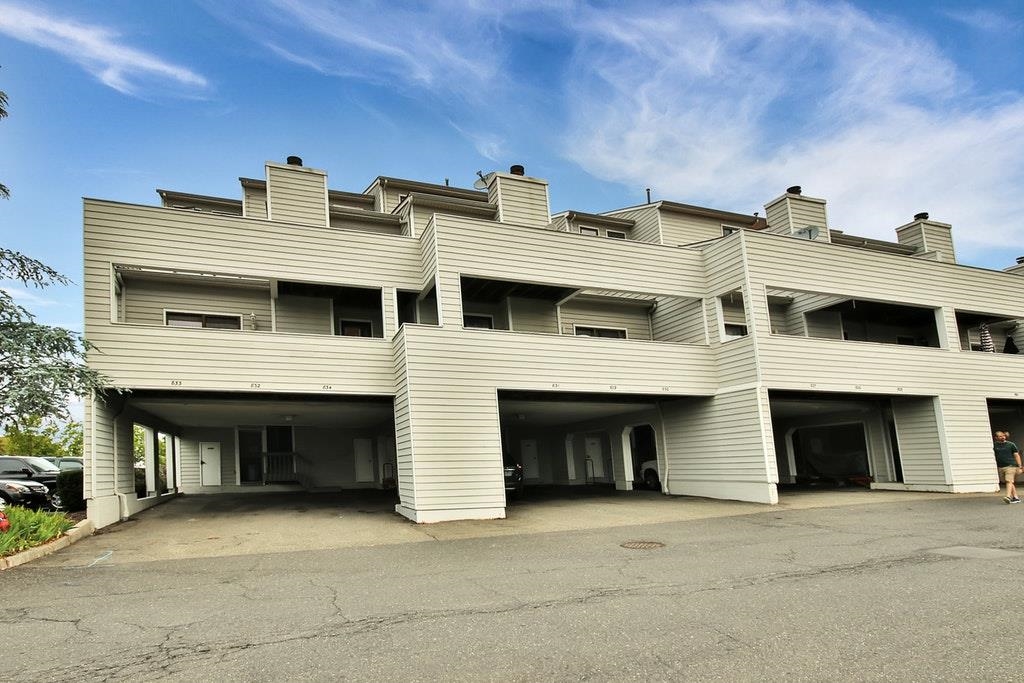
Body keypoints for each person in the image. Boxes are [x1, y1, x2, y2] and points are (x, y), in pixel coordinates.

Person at [993, 431, 1022, 503]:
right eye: (1000, 436)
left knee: (1009, 481)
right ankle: (1015, 497)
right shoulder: (994, 445)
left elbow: (1016, 455)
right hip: (1001, 466)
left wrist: (1020, 465)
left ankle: (1008, 496)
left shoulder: (1011, 445)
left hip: (1011, 465)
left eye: (1003, 436)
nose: (1002, 437)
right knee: (1007, 481)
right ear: (996, 438)